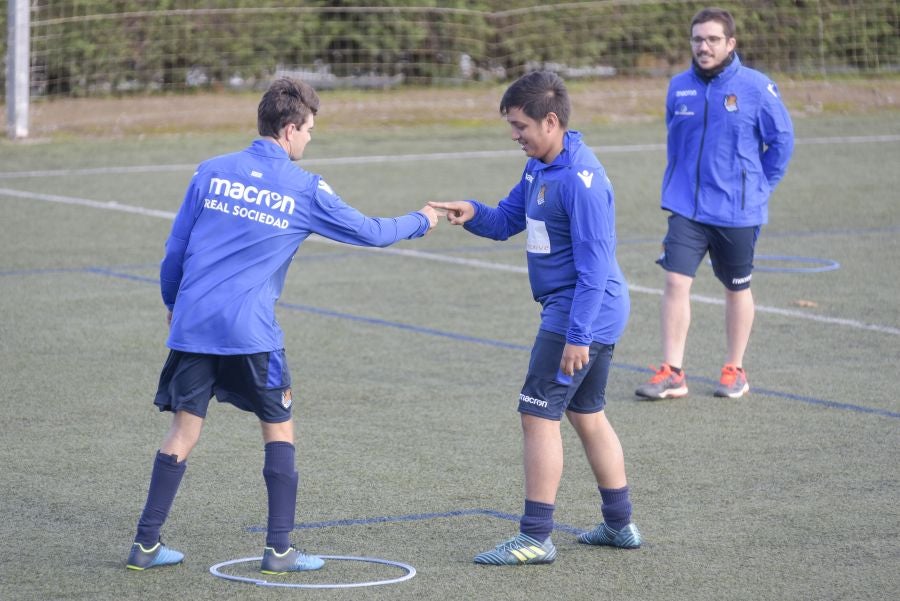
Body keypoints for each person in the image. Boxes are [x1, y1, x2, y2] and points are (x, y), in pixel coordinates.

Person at [125, 77, 441, 573]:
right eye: (310, 129)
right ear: (290, 129)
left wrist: (174, 304)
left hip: (194, 325)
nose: (311, 139)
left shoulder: (210, 171)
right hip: (251, 334)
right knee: (279, 428)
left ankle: (144, 545)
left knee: (183, 431)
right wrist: (421, 219)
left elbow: (174, 253)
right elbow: (372, 233)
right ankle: (279, 549)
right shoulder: (304, 188)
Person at [429, 71, 641, 566]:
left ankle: (535, 536)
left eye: (521, 125)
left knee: (536, 413)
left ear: (551, 121)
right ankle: (619, 524)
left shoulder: (581, 183)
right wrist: (472, 212)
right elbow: (506, 219)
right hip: (585, 310)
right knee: (586, 412)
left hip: (579, 311)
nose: (514, 134)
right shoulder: (540, 167)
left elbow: (592, 269)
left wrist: (577, 335)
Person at [635, 7, 794, 400]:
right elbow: (677, 144)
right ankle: (673, 371)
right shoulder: (678, 87)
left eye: (712, 40)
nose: (703, 47)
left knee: (736, 287)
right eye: (697, 40)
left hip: (737, 210)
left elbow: (782, 142)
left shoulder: (757, 87)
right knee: (674, 281)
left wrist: (756, 187)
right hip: (687, 208)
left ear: (730, 44)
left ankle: (734, 368)